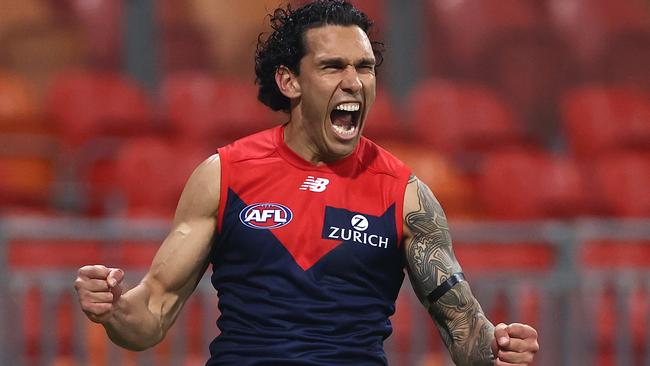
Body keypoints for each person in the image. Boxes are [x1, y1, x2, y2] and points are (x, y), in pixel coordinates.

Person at [74, 1, 539, 365]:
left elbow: (465, 333)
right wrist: (114, 309)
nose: (354, 82)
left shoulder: (405, 194)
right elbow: (151, 314)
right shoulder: (224, 174)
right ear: (289, 81)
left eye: (365, 67)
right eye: (334, 66)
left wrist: (497, 348)